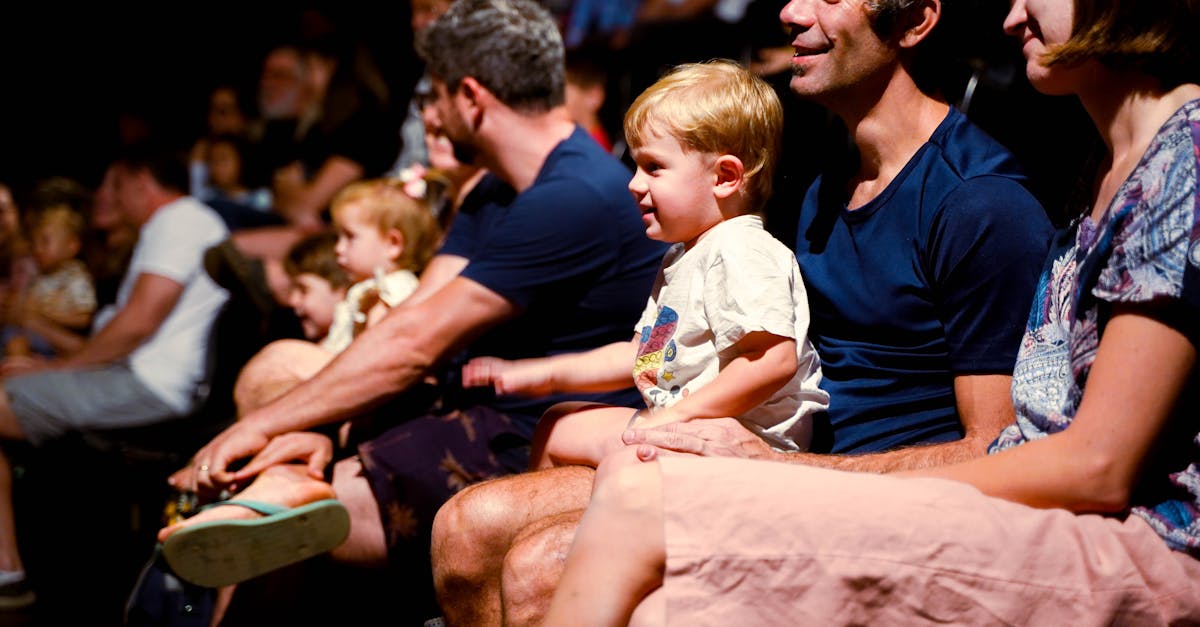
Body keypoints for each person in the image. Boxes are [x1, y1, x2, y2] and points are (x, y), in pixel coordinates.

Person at [544, 0, 1200, 623]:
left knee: (637, 493)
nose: (1010, 15)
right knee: (659, 601)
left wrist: (795, 478)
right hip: (999, 508)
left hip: (1126, 538)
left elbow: (1095, 466)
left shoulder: (1172, 161)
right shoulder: (1105, 165)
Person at [428, 0, 1055, 623]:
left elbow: (996, 447)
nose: (790, 11)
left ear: (916, 21)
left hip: (863, 502)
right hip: (763, 461)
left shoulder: (981, 203)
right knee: (469, 526)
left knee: (539, 567)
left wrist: (783, 468)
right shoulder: (824, 175)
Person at [157, 1, 666, 623]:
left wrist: (259, 427)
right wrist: (305, 422)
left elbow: (417, 344)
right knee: (280, 384)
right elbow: (411, 315)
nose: (431, 112)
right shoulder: (495, 187)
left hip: (529, 430)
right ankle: (276, 494)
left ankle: (269, 510)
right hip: (468, 402)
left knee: (290, 521)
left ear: (471, 97)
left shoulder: (574, 195)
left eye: (437, 95)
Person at [463, 59, 827, 472]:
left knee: (565, 433)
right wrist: (542, 375)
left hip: (745, 442)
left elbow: (771, 360)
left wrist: (674, 416)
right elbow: (642, 356)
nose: (634, 183)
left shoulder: (742, 250)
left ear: (725, 176)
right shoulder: (685, 254)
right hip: (692, 427)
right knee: (558, 421)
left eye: (654, 167)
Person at [0, 141, 229, 608]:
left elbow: (138, 323)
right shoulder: (176, 224)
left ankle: (9, 575)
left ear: (141, 182)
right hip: (136, 377)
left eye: (115, 184)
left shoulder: (181, 219)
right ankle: (10, 570)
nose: (107, 194)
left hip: (149, 387)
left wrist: (55, 369)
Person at [1, 204, 97, 359]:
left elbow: (84, 317)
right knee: (13, 336)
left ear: (71, 246)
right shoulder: (38, 273)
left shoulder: (76, 276)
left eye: (45, 242)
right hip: (33, 336)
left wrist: (47, 314)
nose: (37, 249)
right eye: (35, 243)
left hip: (58, 339)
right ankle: (19, 367)